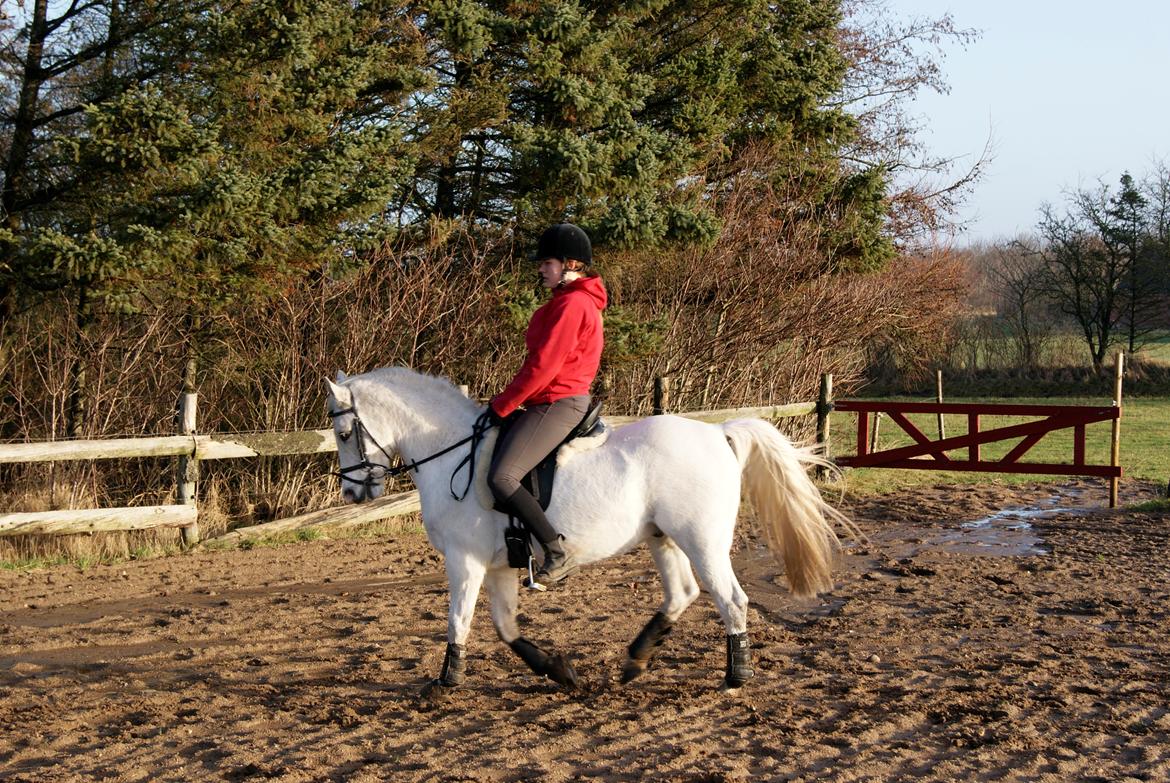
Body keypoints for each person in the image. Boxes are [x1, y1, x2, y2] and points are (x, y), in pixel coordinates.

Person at [487, 222, 607, 587]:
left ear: (570, 264)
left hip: (558, 402)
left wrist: (502, 405)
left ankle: (556, 552)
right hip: (548, 399)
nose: (540, 269)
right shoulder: (566, 302)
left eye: (547, 263)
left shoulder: (573, 305)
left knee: (503, 477)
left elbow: (543, 367)